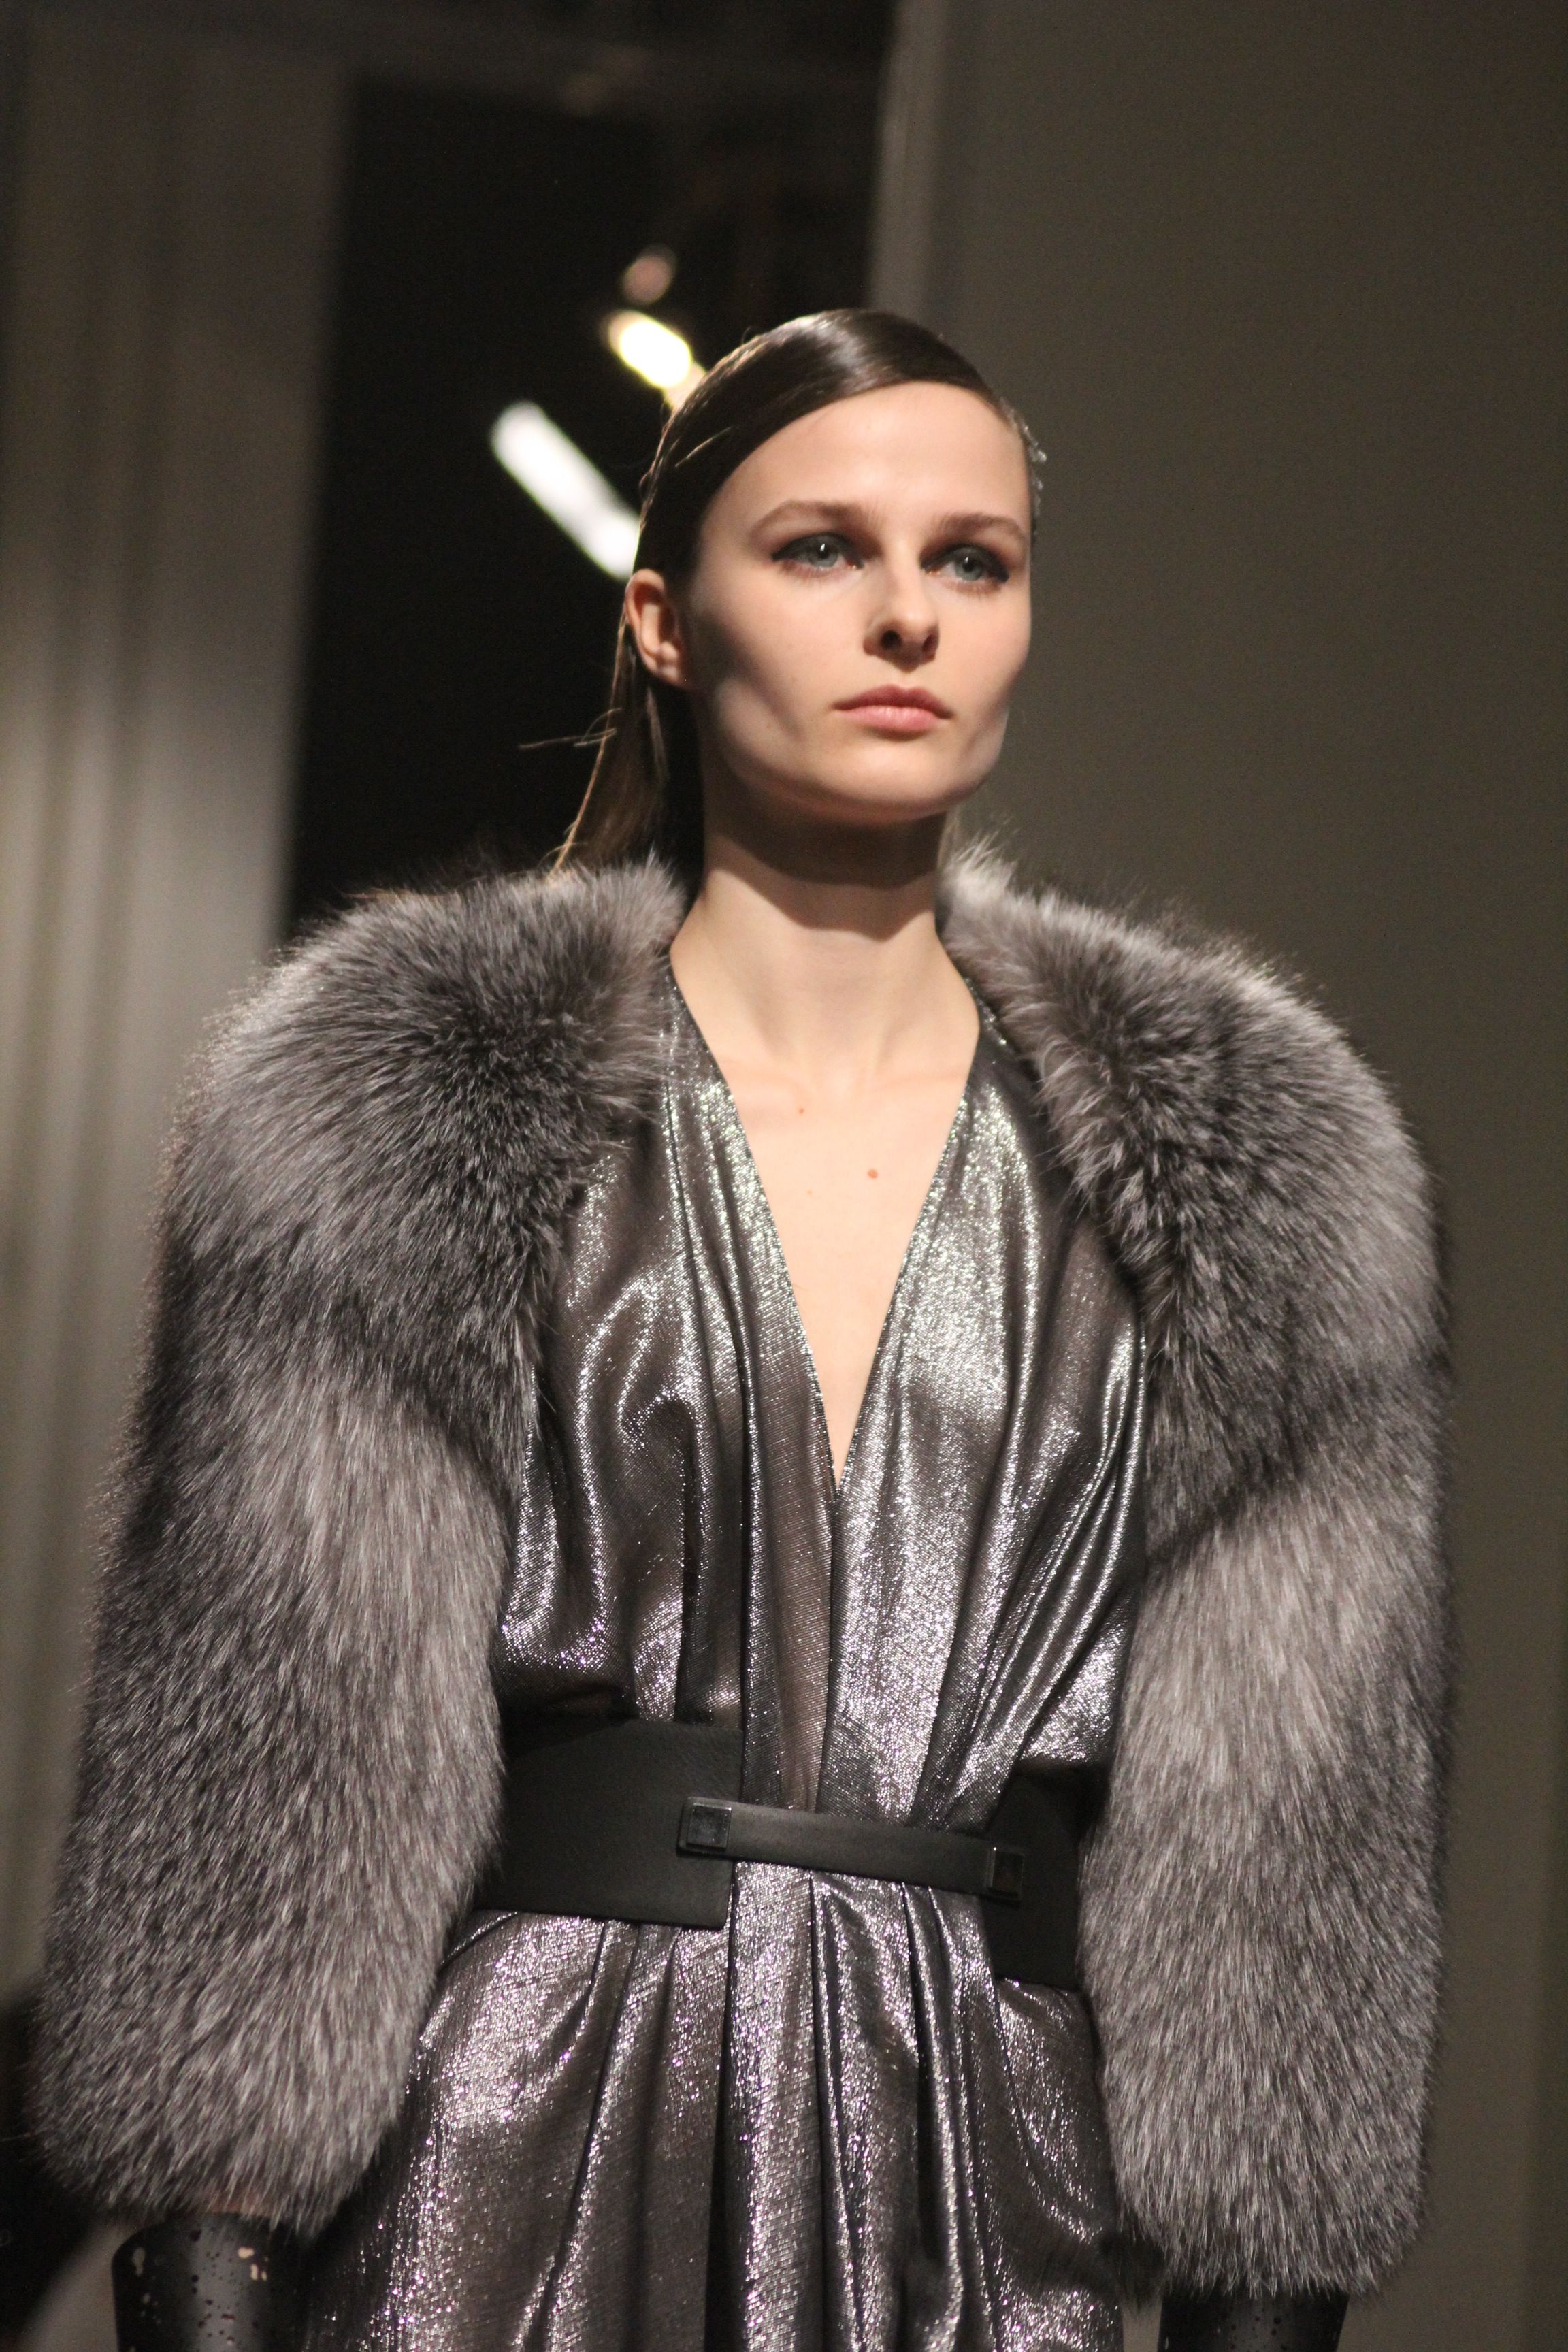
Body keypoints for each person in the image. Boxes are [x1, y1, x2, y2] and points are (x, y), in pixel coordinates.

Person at [31, 312, 1447, 2352]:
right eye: (822, 549)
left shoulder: (1259, 1172)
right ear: (665, 621)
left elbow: (1294, 1860)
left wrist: (1266, 2274)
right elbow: (258, 1793)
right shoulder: (395, 1109)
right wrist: (212, 2269)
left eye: (973, 560)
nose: (908, 616)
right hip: (498, 2178)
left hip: (988, 2206)